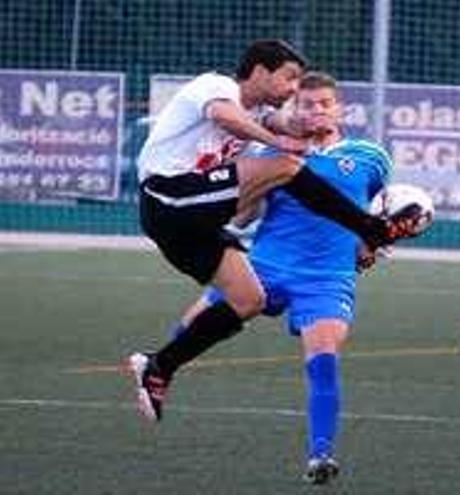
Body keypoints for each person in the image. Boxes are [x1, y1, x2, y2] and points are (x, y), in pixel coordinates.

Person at [127, 40, 422, 423]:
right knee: (284, 166)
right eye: (289, 77)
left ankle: (159, 366)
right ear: (261, 71)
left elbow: (272, 120)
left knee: (250, 299)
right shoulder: (216, 86)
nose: (293, 88)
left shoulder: (258, 113)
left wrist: (298, 125)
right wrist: (279, 140)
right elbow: (228, 118)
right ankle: (370, 228)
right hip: (168, 197)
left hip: (192, 224)